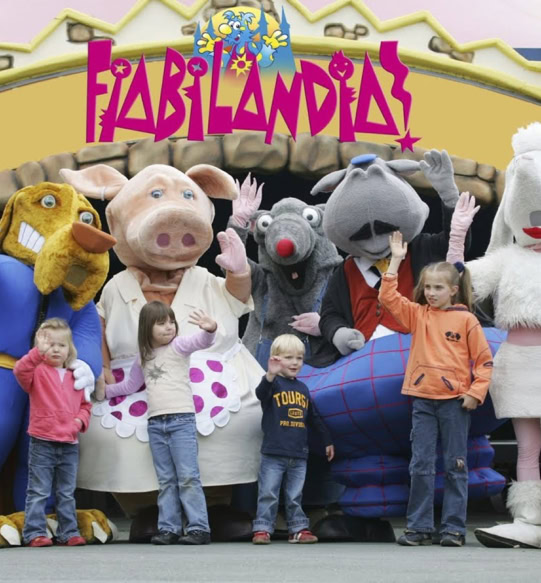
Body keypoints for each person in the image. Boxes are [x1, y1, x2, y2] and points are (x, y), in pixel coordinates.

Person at [379, 232, 493, 547]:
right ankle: (419, 528)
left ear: (453, 290)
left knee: (456, 465)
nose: (431, 293)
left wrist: (475, 393)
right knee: (420, 465)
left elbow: (485, 362)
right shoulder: (418, 315)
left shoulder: (467, 320)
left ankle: (453, 529)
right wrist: (396, 260)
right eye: (427, 287)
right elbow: (388, 297)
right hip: (422, 401)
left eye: (438, 288)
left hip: (456, 402)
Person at [95, 300, 216, 545]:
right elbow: (130, 386)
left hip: (181, 419)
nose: (169, 327)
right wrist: (103, 391)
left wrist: (210, 329)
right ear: (147, 327)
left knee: (188, 477)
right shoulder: (144, 356)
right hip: (156, 424)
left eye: (171, 322)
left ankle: (198, 528)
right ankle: (169, 528)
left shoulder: (179, 345)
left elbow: (201, 341)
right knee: (166, 480)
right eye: (161, 323)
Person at [13, 318, 92, 548]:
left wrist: (78, 421)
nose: (56, 349)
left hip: (70, 443)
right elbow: (20, 370)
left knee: (66, 492)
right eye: (50, 345)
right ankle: (34, 533)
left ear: (70, 348)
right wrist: (37, 352)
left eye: (61, 345)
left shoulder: (75, 375)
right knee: (38, 490)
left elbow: (86, 405)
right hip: (42, 440)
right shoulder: (37, 372)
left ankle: (69, 532)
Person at [251, 334, 335, 545]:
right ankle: (263, 528)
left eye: (299, 358)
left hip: (299, 453)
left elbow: (313, 417)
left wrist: (327, 440)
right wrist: (270, 375)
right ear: (275, 359)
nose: (295, 362)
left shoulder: (303, 388)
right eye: (288, 357)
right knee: (268, 493)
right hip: (273, 452)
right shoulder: (272, 384)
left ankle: (297, 529)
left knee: (295, 494)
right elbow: (260, 394)